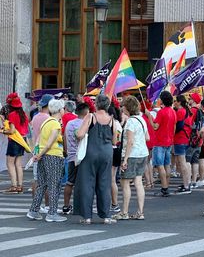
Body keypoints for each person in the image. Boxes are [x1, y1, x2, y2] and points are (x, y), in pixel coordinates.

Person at [74, 94, 119, 224]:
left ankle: (87, 216)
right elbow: (115, 140)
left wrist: (76, 133)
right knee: (105, 184)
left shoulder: (91, 116)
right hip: (107, 153)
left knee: (87, 184)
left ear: (96, 104)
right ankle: (105, 215)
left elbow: (80, 134)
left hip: (91, 152)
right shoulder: (112, 120)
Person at [27, 99, 67, 222]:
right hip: (53, 156)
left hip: (43, 156)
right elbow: (50, 143)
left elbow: (39, 139)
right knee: (54, 184)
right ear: (60, 110)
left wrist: (37, 154)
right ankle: (52, 213)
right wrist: (39, 154)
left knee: (42, 184)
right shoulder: (55, 124)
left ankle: (33, 210)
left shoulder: (46, 122)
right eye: (63, 109)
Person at [113, 96, 149, 220]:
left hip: (132, 154)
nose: (121, 108)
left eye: (123, 106)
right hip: (143, 153)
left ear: (127, 108)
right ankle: (140, 212)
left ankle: (124, 212)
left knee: (125, 182)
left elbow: (130, 142)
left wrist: (125, 159)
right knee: (138, 182)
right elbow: (147, 137)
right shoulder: (141, 119)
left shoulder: (130, 122)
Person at [145, 91, 176, 197]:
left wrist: (149, 116)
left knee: (160, 165)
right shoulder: (172, 112)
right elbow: (174, 127)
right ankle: (166, 187)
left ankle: (164, 188)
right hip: (169, 140)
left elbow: (155, 126)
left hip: (160, 141)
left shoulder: (161, 112)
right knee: (167, 164)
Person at [62, 102, 90, 215]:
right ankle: (82, 206)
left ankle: (66, 206)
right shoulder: (84, 124)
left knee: (70, 182)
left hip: (71, 156)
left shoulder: (69, 123)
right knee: (83, 183)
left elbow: (64, 137)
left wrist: (66, 150)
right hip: (82, 157)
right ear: (87, 113)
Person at [29, 94, 53, 209]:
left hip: (36, 148)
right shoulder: (48, 118)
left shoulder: (35, 117)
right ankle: (47, 205)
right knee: (48, 179)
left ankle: (36, 205)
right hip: (46, 150)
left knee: (36, 178)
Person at [3, 93, 29, 194]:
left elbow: (12, 131)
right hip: (22, 140)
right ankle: (20, 186)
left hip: (14, 141)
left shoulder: (12, 115)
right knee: (18, 164)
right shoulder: (25, 115)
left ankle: (13, 186)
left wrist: (4, 131)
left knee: (10, 164)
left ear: (11, 106)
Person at [173, 95, 192, 194]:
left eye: (175, 101)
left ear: (179, 102)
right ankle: (187, 183)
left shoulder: (180, 111)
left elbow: (178, 126)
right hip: (186, 138)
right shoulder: (186, 110)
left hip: (180, 138)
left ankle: (186, 185)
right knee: (186, 162)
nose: (174, 102)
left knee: (182, 162)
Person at [187, 93, 204, 188]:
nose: (188, 99)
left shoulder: (192, 111)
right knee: (195, 161)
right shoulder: (201, 112)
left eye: (190, 98)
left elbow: (189, 123)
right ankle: (194, 181)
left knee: (188, 161)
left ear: (193, 100)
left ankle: (189, 181)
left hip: (192, 139)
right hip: (199, 140)